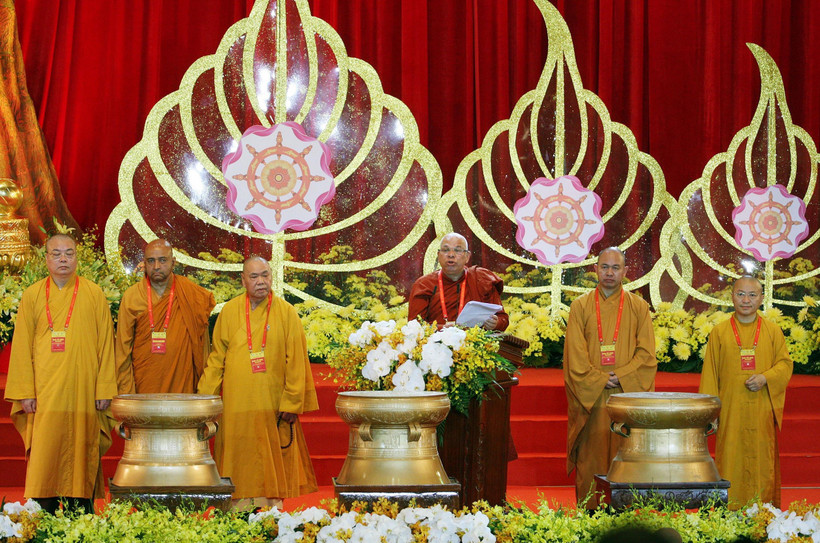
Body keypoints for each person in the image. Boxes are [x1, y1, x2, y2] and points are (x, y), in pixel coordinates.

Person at [3, 234, 117, 514]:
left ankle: (82, 508)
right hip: (45, 392)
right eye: (56, 254)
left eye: (69, 253)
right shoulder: (32, 295)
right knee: (46, 452)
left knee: (82, 449)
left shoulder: (93, 294)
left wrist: (104, 390)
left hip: (84, 390)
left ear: (77, 258)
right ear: (46, 259)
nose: (63, 259)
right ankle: (43, 507)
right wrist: (25, 392)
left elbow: (106, 344)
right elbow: (21, 348)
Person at [198, 256, 318, 509]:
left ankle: (270, 509)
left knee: (269, 458)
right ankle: (235, 508)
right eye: (254, 277)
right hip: (235, 403)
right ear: (243, 280)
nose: (261, 282)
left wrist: (293, 401)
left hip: (272, 403)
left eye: (265, 275)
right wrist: (204, 399)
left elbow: (296, 360)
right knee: (237, 454)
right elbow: (216, 357)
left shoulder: (286, 312)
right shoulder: (229, 311)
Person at [563, 247, 657, 508]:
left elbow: (647, 354)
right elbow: (574, 354)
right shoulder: (580, 306)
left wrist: (622, 375)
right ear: (595, 269)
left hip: (625, 398)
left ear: (626, 272)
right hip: (591, 398)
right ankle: (590, 509)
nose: (609, 272)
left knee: (624, 453)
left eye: (616, 268)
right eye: (604, 267)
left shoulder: (638, 307)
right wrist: (598, 379)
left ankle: (625, 511)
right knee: (591, 454)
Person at [699, 276, 792, 507]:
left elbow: (785, 365)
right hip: (731, 411)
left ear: (761, 298)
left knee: (762, 460)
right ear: (731, 297)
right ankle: (729, 510)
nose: (746, 300)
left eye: (752, 295)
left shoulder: (773, 331)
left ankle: (763, 510)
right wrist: (709, 415)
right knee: (731, 459)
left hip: (761, 409)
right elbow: (710, 375)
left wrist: (765, 378)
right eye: (740, 294)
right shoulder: (719, 333)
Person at [115, 239, 215, 394]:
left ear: (173, 262)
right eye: (151, 261)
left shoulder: (190, 293)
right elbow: (123, 350)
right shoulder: (132, 296)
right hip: (144, 385)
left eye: (162, 260)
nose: (156, 267)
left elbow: (202, 345)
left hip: (182, 385)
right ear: (144, 263)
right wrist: (126, 392)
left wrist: (204, 390)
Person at [408, 233, 509, 330]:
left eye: (458, 250)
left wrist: (495, 324)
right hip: (435, 345)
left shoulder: (481, 280)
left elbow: (503, 319)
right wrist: (443, 329)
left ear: (467, 257)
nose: (451, 255)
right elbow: (414, 327)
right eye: (446, 250)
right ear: (438, 255)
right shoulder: (424, 285)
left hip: (474, 345)